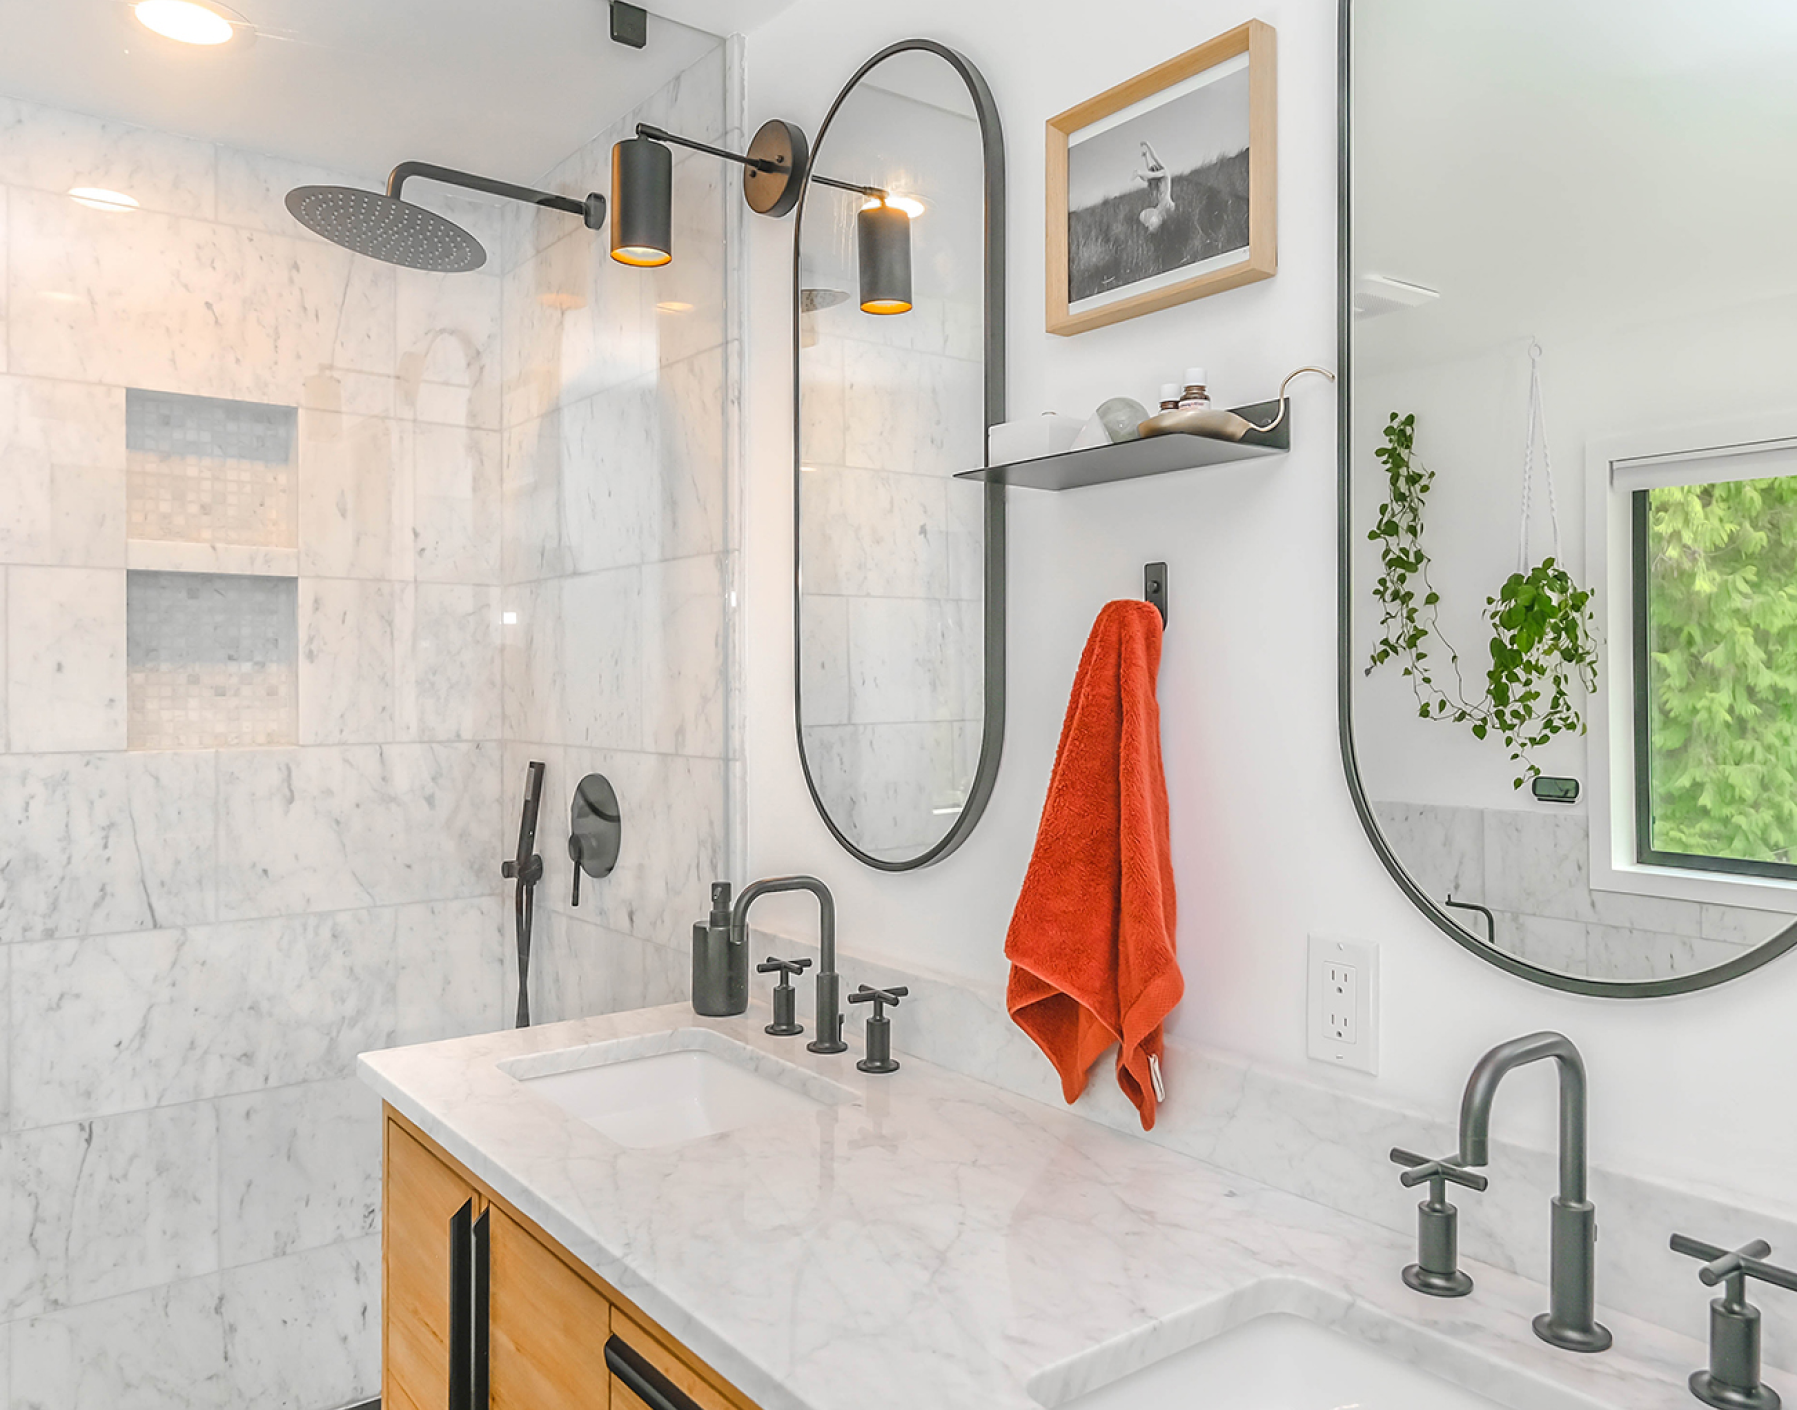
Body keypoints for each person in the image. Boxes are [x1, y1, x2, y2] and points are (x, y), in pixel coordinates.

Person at [1134, 140, 1175, 232]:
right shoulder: (1156, 180)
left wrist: (1147, 144)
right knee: (1151, 226)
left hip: (1167, 207)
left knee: (1162, 228)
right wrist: (1146, 156)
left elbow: (1155, 158)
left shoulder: (1165, 173)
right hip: (1160, 208)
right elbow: (1149, 172)